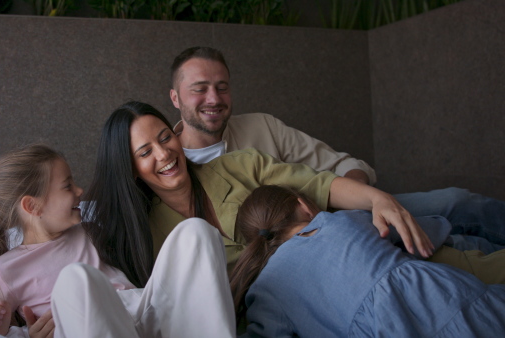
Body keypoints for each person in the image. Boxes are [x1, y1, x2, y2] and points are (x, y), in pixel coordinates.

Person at [168, 46, 505, 254]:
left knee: (457, 201)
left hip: (345, 216)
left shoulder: (262, 128)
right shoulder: (167, 165)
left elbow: (346, 166)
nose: (213, 99)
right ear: (176, 98)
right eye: (200, 89)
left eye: (222, 87)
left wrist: (353, 206)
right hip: (308, 255)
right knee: (455, 248)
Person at [88, 101, 436, 278]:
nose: (164, 154)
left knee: (448, 242)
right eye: (145, 152)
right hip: (288, 307)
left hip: (339, 253)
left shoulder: (237, 165)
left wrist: (378, 198)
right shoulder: (145, 238)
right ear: (130, 170)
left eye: (165, 137)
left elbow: (320, 185)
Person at [0, 144, 235, 338]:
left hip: (140, 311)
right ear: (33, 206)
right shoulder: (4, 270)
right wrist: (2, 329)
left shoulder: (89, 231)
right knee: (76, 278)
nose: (79, 190)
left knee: (196, 232)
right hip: (95, 327)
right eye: (67, 186)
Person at [229, 185, 505, 337]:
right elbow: (427, 232)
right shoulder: (340, 221)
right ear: (303, 205)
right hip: (447, 303)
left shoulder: (267, 289)